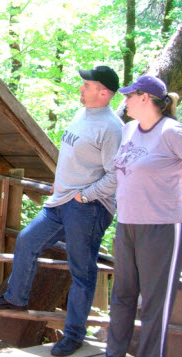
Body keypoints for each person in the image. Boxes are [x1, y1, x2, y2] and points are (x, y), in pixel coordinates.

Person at [0, 65, 123, 356]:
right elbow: (74, 158)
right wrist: (60, 185)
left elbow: (115, 176)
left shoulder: (112, 129)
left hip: (88, 208)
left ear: (104, 93)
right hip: (61, 201)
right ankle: (17, 298)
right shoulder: (81, 113)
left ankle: (73, 335)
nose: (81, 88)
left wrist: (84, 197)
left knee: (82, 272)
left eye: (87, 85)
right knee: (27, 240)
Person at [107, 76, 181, 357]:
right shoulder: (128, 130)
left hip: (161, 227)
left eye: (129, 96)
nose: (124, 101)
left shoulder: (171, 132)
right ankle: (114, 353)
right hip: (126, 224)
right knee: (122, 296)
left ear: (145, 98)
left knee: (154, 304)